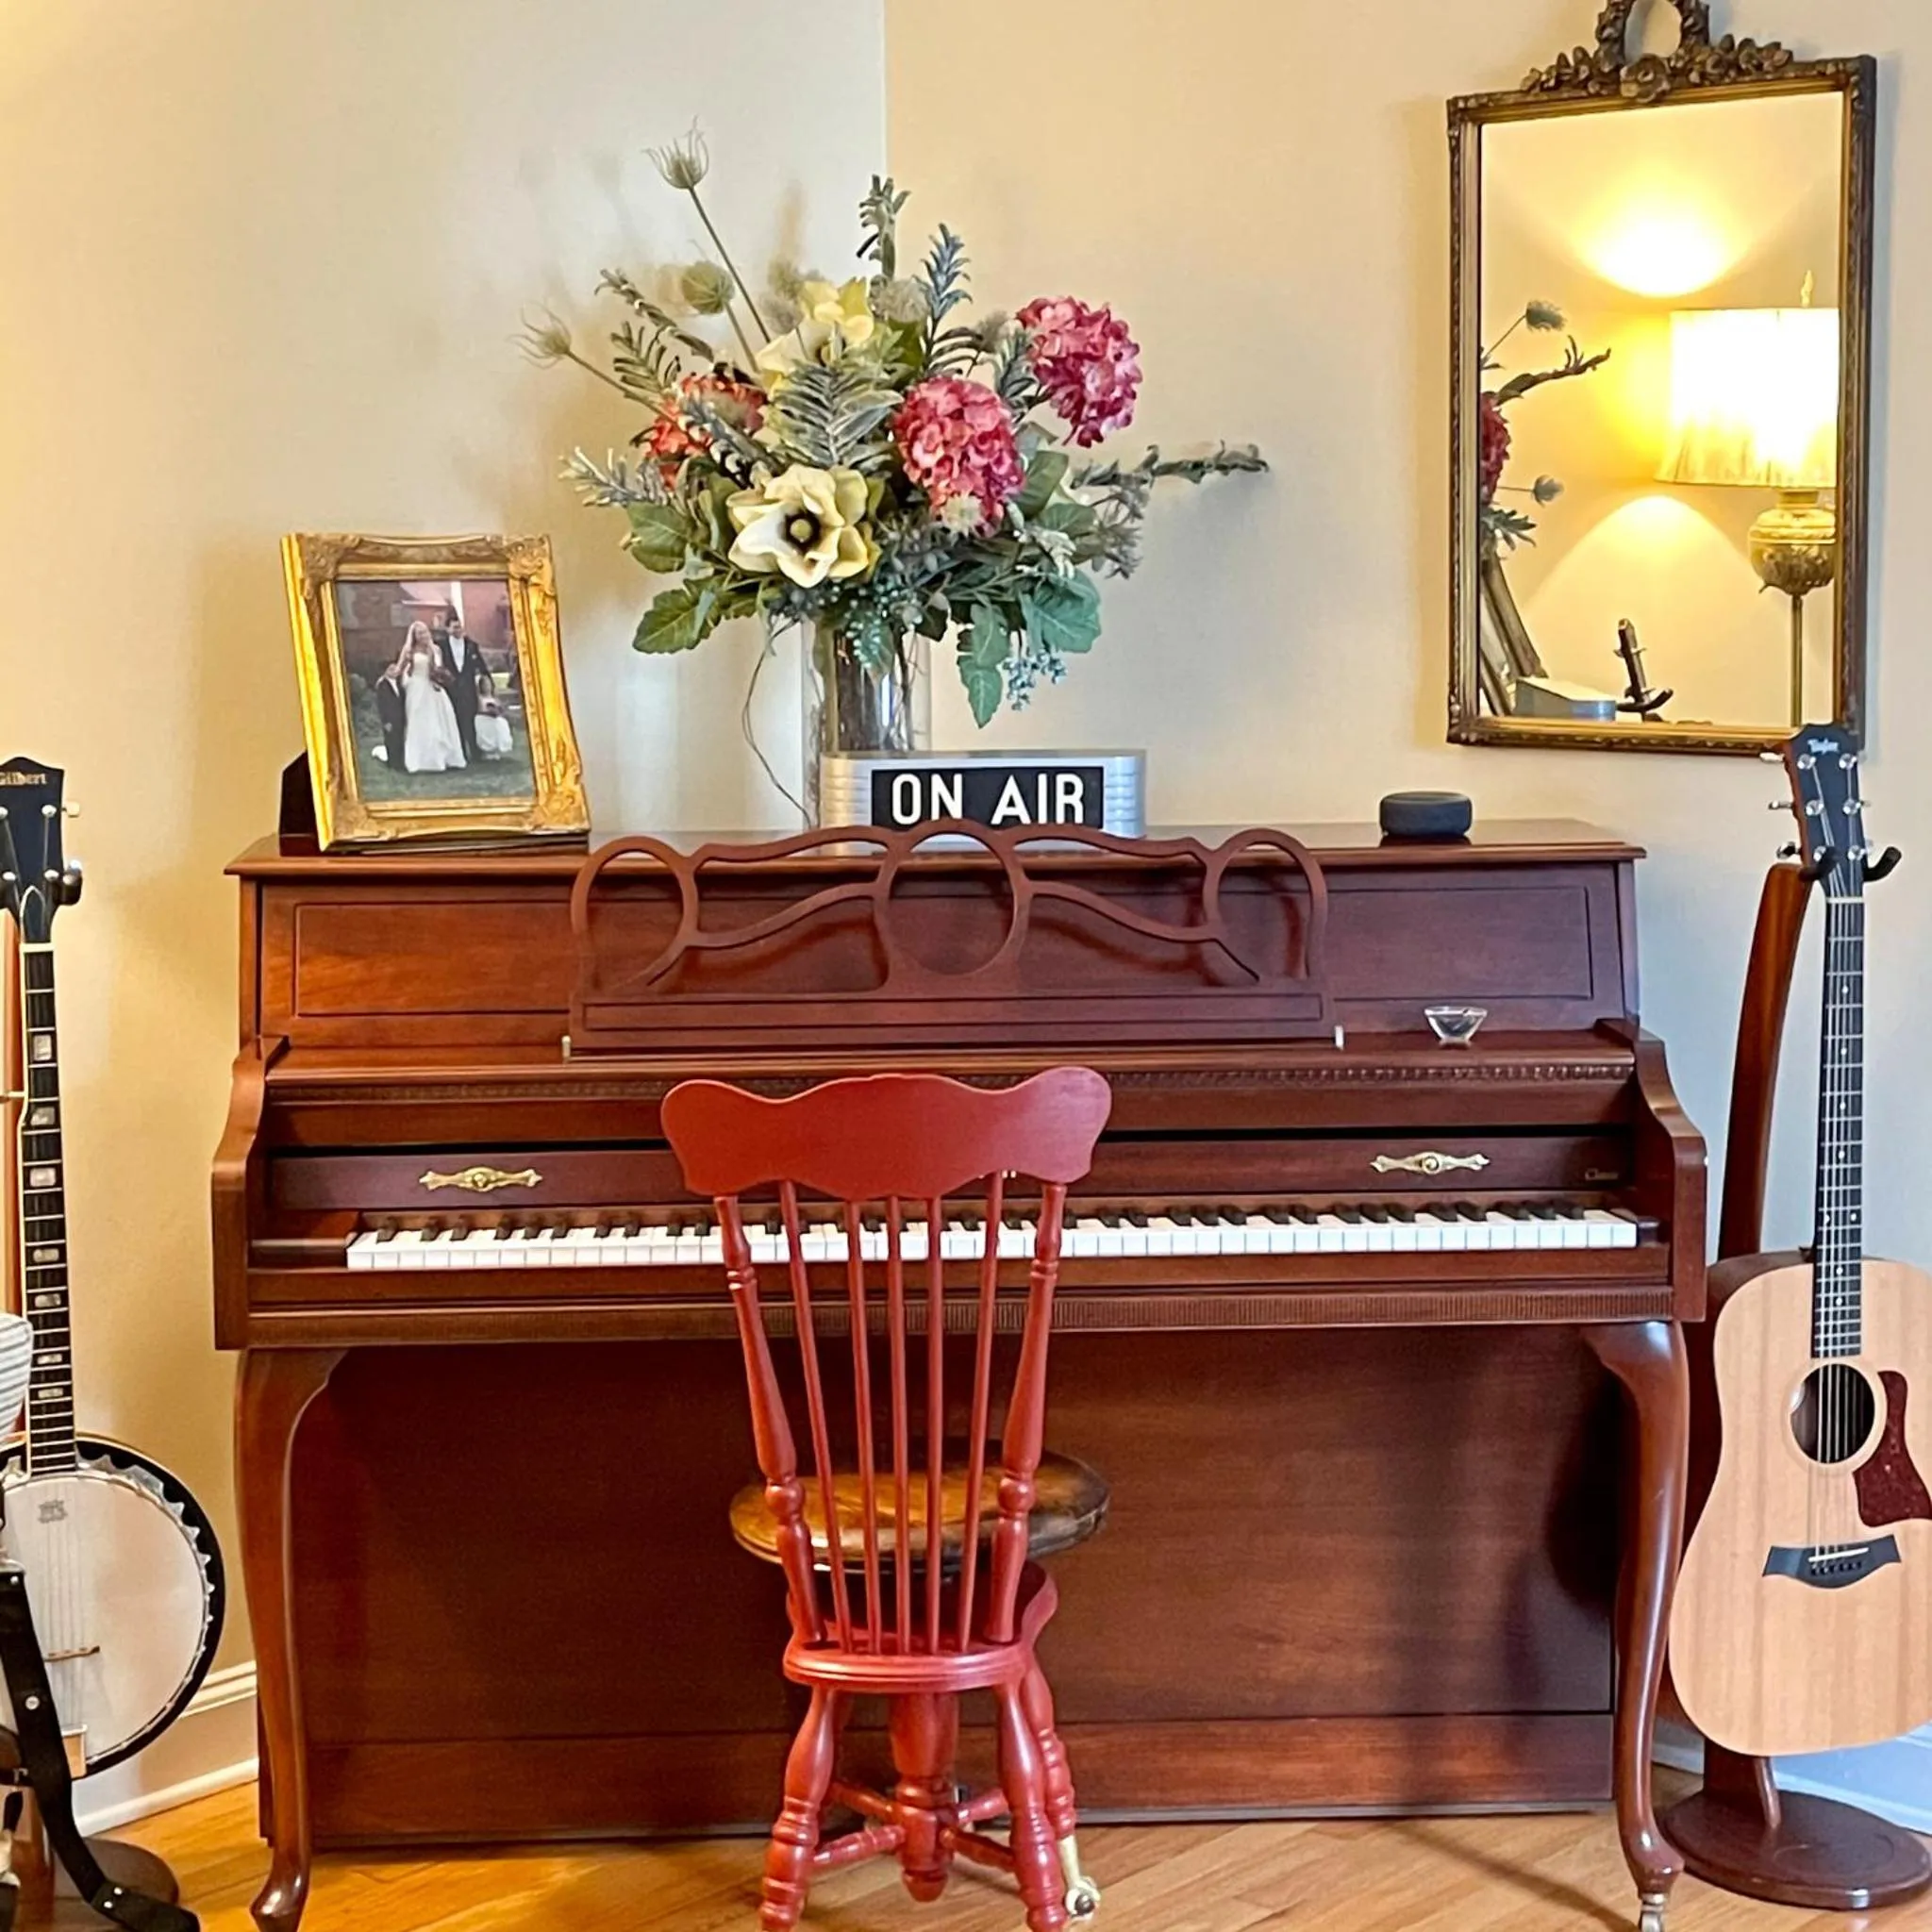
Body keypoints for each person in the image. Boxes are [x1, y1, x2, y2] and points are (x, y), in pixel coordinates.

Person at [399, 621, 466, 774]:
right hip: (417, 687)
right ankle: (420, 759)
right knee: (420, 721)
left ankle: (443, 757)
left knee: (442, 719)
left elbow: (440, 667)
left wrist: (441, 677)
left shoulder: (436, 649)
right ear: (414, 636)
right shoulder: (409, 650)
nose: (423, 635)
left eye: (425, 631)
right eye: (419, 633)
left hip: (434, 688)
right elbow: (400, 668)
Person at [436, 612, 493, 761]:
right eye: (454, 627)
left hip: (468, 686)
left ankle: (474, 750)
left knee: (470, 718)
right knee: (455, 719)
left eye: (459, 626)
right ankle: (460, 750)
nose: (458, 630)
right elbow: (439, 666)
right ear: (448, 629)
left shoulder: (471, 645)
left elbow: (480, 663)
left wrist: (488, 678)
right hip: (452, 686)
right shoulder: (441, 646)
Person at [372, 656, 408, 769]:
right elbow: (383, 705)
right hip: (390, 719)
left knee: (399, 740)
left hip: (399, 718)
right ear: (385, 672)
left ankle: (400, 762)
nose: (394, 671)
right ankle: (392, 763)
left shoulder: (398, 684)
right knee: (391, 740)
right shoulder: (383, 685)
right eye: (391, 669)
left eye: (395, 668)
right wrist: (386, 721)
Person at [473, 685, 513, 760]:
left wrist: (499, 711)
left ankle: (497, 748)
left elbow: (500, 709)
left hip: (495, 718)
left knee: (501, 723)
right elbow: (481, 710)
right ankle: (488, 750)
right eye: (485, 684)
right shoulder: (480, 698)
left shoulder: (495, 698)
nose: (487, 687)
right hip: (485, 718)